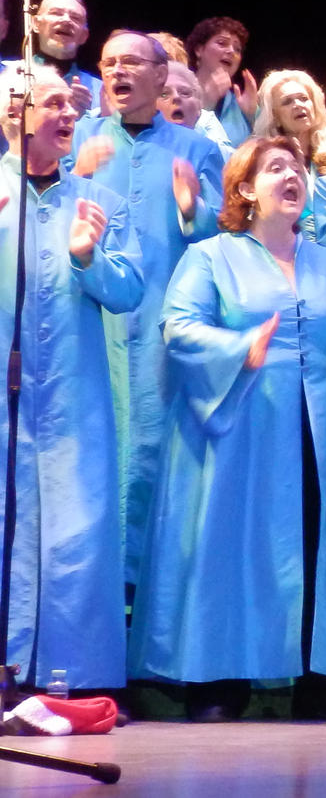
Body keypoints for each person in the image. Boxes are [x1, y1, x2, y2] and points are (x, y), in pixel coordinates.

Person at [129, 137, 326, 722]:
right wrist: (241, 346)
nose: (292, 176)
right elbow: (178, 327)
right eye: (276, 168)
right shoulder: (211, 256)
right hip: (240, 426)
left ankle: (322, 682)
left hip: (320, 431)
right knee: (233, 549)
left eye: (297, 167)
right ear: (245, 189)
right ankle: (221, 682)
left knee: (317, 543)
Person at [1, 65, 143, 693]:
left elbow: (130, 290)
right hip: (8, 399)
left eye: (71, 104)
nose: (69, 114)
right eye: (52, 103)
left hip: (71, 398)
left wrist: (88, 257)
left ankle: (72, 677)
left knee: (76, 528)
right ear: (14, 114)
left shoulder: (97, 201)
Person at [69, 30, 225, 590]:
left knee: (157, 451)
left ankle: (149, 594)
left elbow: (224, 237)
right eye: (109, 62)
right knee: (93, 449)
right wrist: (75, 175)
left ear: (161, 76)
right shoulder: (80, 137)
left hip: (164, 321)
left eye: (132, 62)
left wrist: (193, 209)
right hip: (89, 320)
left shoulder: (196, 149)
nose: (117, 71)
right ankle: (95, 591)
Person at [252, 70, 326, 244]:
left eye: (303, 98)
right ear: (275, 117)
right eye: (287, 102)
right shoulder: (263, 159)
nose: (298, 105)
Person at [186, 16, 257, 142]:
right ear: (199, 50)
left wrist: (252, 117)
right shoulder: (179, 91)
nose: (231, 51)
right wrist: (206, 104)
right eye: (222, 43)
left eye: (237, 49)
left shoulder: (240, 104)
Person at [159, 60, 234, 159]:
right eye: (164, 94)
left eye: (185, 93)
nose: (176, 97)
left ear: (199, 108)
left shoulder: (215, 150)